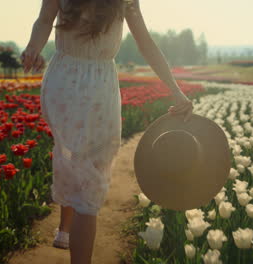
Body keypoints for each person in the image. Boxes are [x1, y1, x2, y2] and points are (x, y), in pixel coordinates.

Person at [20, 1, 193, 263]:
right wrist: (176, 91)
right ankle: (75, 235)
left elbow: (44, 21)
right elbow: (144, 42)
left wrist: (33, 46)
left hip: (63, 81)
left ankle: (65, 231)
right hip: (97, 85)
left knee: (73, 157)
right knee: (89, 178)